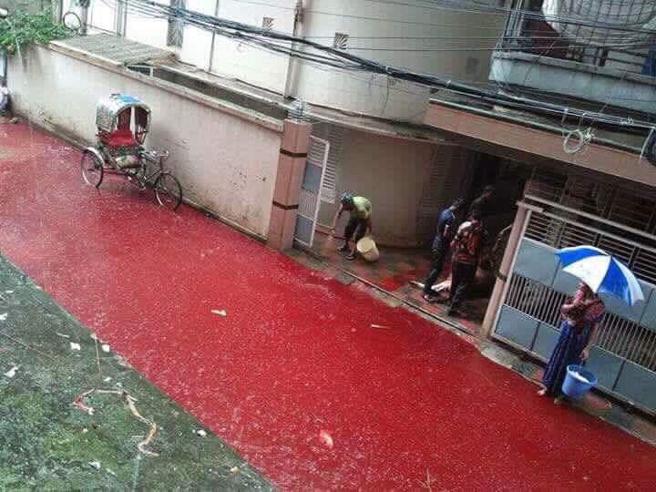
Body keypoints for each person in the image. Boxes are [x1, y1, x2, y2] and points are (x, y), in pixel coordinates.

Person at [539, 283, 605, 404]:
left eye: (583, 283)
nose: (580, 284)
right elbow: (563, 309)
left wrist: (587, 348)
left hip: (580, 339)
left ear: (590, 286)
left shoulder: (598, 306)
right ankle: (548, 387)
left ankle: (562, 394)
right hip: (567, 333)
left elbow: (595, 330)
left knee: (570, 366)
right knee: (557, 359)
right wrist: (573, 306)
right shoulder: (578, 295)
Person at [423, 198, 465, 302]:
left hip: (436, 242)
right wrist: (454, 238)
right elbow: (446, 233)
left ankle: (427, 288)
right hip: (441, 245)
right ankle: (426, 290)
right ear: (458, 209)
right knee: (437, 269)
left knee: (435, 267)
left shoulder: (444, 211)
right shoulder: (451, 217)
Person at [446, 210, 485, 316]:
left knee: (455, 281)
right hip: (470, 262)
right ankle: (454, 307)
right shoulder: (482, 232)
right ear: (481, 220)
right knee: (464, 284)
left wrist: (455, 254)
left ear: (471, 217)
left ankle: (450, 301)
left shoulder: (463, 226)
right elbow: (480, 250)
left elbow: (453, 243)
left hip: (457, 259)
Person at [330, 192, 372, 261]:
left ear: (350, 204)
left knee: (359, 234)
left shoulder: (361, 209)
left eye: (345, 206)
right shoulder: (344, 204)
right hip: (355, 212)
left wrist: (370, 231)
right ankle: (346, 246)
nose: (343, 207)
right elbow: (338, 214)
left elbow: (368, 220)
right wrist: (333, 227)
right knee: (348, 228)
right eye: (343, 205)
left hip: (365, 211)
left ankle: (354, 252)